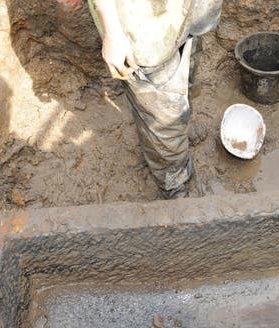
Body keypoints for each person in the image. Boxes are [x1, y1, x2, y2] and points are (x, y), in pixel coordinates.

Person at [59, 0, 223, 198]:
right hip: (144, 20)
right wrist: (113, 33)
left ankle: (182, 127)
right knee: (163, 117)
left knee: (188, 56)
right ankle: (173, 181)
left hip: (189, 10)